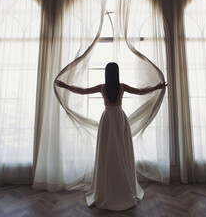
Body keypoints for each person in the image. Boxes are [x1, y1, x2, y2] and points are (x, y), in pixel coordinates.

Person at [55, 62, 167, 211]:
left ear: (106, 73)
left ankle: (107, 188)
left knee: (107, 152)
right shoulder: (121, 86)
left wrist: (65, 86)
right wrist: (156, 88)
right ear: (117, 73)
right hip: (120, 119)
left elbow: (82, 91)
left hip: (107, 119)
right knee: (121, 151)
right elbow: (140, 91)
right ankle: (122, 187)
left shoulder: (103, 87)